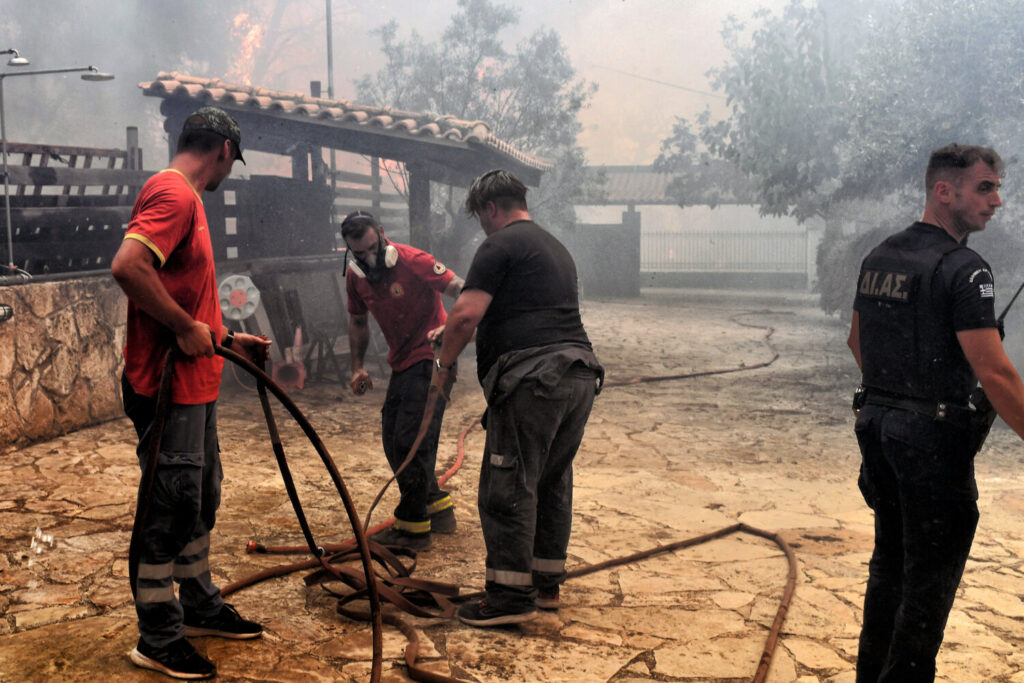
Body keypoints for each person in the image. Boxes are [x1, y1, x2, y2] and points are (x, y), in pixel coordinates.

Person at [847, 143, 1024, 682]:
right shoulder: (966, 270)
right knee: (925, 596)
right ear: (943, 191)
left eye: (996, 188)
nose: (996, 201)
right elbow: (994, 375)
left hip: (877, 433)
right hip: (930, 447)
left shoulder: (880, 255)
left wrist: (900, 393)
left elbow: (857, 341)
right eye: (984, 188)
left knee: (889, 577)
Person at [112, 106, 271, 680]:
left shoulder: (187, 202)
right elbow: (128, 266)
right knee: (170, 502)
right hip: (166, 386)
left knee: (199, 495)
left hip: (194, 384)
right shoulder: (175, 194)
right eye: (233, 160)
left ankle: (199, 603)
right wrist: (182, 328)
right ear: (224, 150)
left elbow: (184, 294)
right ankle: (158, 636)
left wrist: (227, 337)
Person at [432, 169, 603, 627]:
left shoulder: (498, 245)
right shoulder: (553, 248)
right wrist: (446, 332)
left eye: (481, 217)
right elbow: (522, 313)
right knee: (550, 479)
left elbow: (466, 315)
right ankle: (545, 584)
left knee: (508, 483)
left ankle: (508, 596)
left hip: (533, 382)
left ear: (490, 209)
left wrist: (442, 370)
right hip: (577, 376)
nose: (482, 227)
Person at [342, 210, 464, 550]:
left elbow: (459, 287)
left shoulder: (412, 261)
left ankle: (413, 529)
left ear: (381, 234)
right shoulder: (357, 278)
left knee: (410, 441)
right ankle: (436, 508)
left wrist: (453, 324)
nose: (368, 259)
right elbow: (358, 322)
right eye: (359, 254)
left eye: (371, 248)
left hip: (433, 358)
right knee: (392, 439)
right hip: (402, 364)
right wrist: (357, 366)